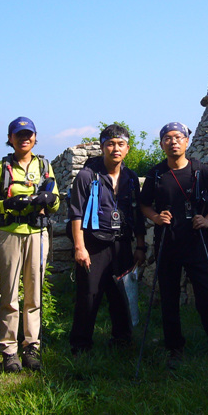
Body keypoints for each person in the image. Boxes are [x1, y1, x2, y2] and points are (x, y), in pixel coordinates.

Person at [140, 122, 208, 369]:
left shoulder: (200, 171)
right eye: (167, 138)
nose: (173, 142)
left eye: (178, 137)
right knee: (168, 297)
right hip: (167, 242)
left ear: (187, 141)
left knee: (207, 296)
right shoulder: (156, 174)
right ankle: (174, 348)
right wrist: (156, 218)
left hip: (198, 242)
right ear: (161, 144)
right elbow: (144, 204)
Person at [0, 117, 60, 372]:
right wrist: (8, 204)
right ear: (11, 138)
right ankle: (8, 349)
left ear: (35, 137)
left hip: (37, 233)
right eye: (19, 135)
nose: (25, 139)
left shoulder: (45, 166)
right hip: (9, 233)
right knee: (9, 292)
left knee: (34, 292)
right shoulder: (0, 168)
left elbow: (57, 203)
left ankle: (31, 347)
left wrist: (48, 198)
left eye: (29, 134)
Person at [68, 124, 147, 354]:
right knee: (89, 296)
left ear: (128, 148)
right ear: (102, 147)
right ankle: (81, 344)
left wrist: (140, 246)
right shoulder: (87, 176)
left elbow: (137, 213)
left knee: (121, 294)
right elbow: (76, 213)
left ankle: (122, 340)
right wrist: (79, 247)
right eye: (110, 144)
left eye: (120, 144)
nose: (115, 148)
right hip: (93, 245)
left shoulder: (131, 178)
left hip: (122, 243)